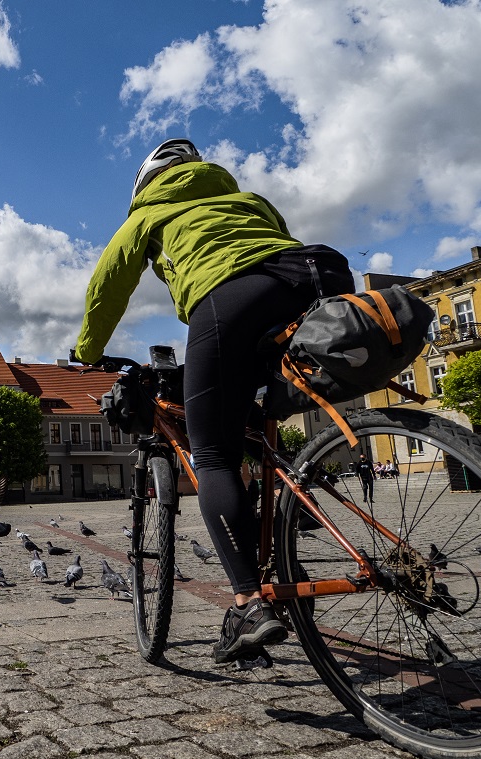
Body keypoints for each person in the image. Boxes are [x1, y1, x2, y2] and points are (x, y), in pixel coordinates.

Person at [74, 138, 354, 665]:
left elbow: (107, 286)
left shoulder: (149, 213)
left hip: (228, 296)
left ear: (145, 184)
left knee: (212, 454)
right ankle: (287, 560)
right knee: (257, 424)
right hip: (311, 279)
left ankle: (249, 600)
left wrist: (87, 352)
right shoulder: (248, 200)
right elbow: (277, 245)